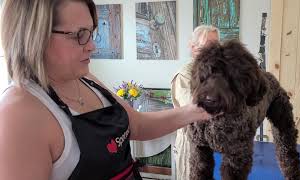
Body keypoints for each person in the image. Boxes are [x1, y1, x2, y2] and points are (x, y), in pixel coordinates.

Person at [0, 1, 211, 180]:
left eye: (91, 32)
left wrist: (198, 110)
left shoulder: (86, 79)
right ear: (36, 35)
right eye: (80, 35)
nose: (92, 46)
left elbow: (137, 125)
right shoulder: (19, 112)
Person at [171, 25, 220, 180]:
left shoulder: (216, 73)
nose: (214, 50)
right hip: (191, 144)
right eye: (208, 45)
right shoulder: (185, 75)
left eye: (217, 45)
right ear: (193, 47)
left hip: (212, 143)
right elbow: (197, 110)